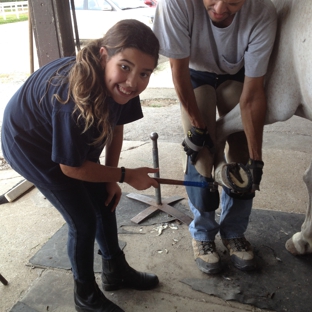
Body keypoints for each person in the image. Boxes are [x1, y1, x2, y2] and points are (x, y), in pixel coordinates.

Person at [1, 20, 160, 312]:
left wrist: (111, 179)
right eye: (125, 67)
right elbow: (71, 168)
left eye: (144, 73)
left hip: (63, 136)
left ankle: (115, 270)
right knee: (83, 219)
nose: (134, 82)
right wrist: (125, 175)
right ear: (103, 56)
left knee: (104, 199)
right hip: (29, 144)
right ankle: (85, 296)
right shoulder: (72, 100)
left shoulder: (122, 86)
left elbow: (117, 125)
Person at [153, 0, 277, 274]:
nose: (220, 8)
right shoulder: (177, 3)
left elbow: (253, 93)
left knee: (242, 152)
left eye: (233, 1)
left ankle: (233, 231)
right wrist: (198, 129)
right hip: (193, 74)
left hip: (238, 76)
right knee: (201, 155)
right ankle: (203, 234)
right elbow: (178, 70)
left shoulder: (262, 11)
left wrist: (257, 160)